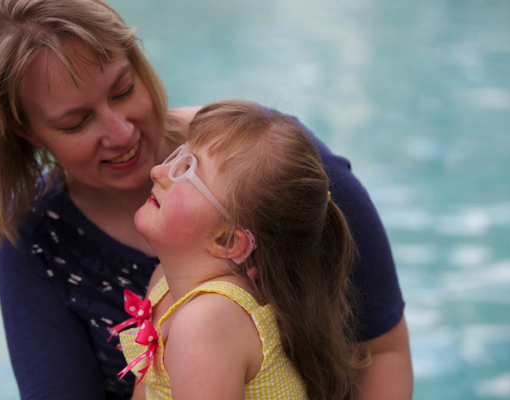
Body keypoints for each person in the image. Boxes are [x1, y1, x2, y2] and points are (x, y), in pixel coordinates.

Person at [0, 0, 412, 399]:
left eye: (124, 89)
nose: (122, 133)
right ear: (25, 131)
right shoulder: (48, 240)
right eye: (75, 122)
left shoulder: (268, 160)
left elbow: (383, 348)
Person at [116, 100, 367, 400]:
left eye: (187, 171)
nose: (159, 171)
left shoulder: (207, 322)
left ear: (227, 241)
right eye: (178, 155)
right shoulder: (164, 283)